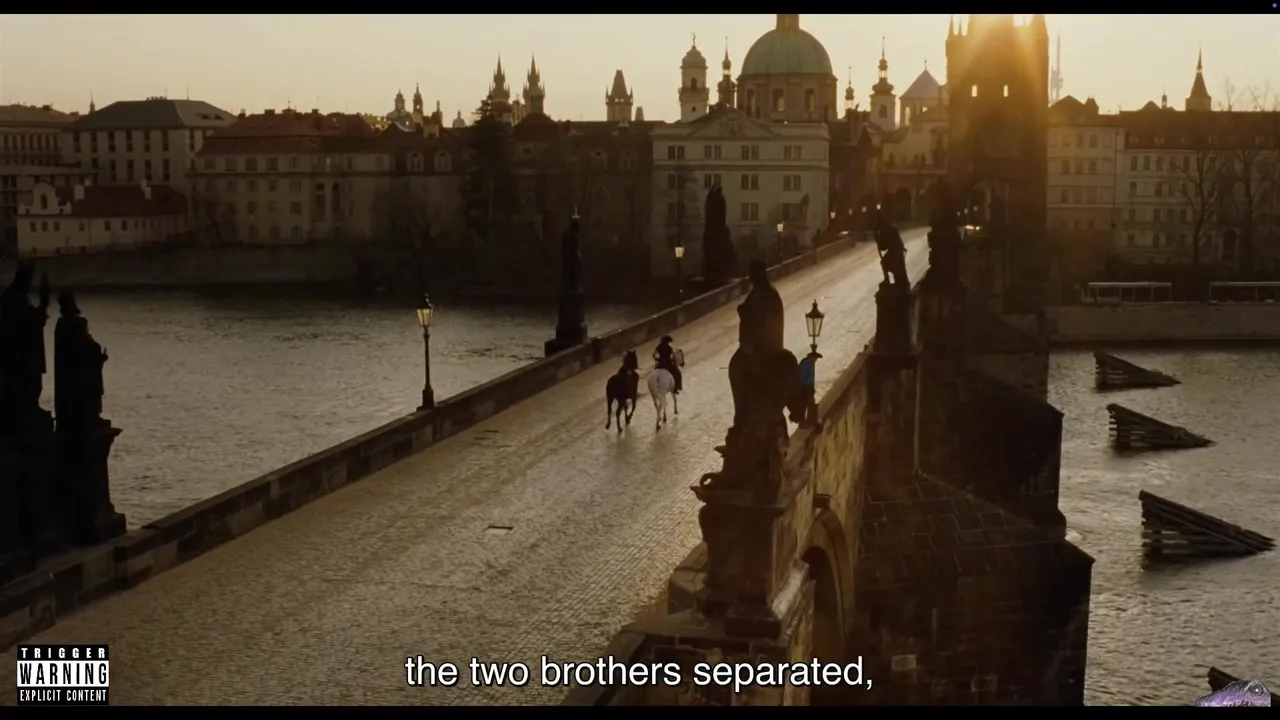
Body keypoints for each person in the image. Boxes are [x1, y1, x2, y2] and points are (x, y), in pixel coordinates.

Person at [791, 349, 822, 428]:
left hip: (807, 388)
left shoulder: (809, 363)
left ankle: (808, 421)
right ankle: (806, 422)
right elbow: (802, 377)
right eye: (815, 358)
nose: (816, 360)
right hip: (805, 388)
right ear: (812, 357)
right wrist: (803, 387)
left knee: (808, 404)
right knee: (806, 404)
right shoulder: (806, 364)